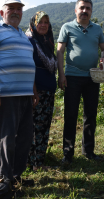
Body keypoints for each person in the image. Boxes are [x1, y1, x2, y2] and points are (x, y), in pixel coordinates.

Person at [0, 0, 39, 187]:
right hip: (5, 94)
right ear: (2, 12)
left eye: (18, 9)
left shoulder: (24, 35)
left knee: (25, 137)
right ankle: (4, 179)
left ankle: (16, 176)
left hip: (25, 95)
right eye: (10, 8)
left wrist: (34, 89)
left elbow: (29, 64)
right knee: (6, 137)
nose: (15, 11)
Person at [57, 0, 104, 164]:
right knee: (70, 115)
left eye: (88, 8)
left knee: (91, 115)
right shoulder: (67, 27)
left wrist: (103, 58)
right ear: (76, 10)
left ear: (91, 11)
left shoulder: (97, 29)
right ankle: (68, 153)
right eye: (82, 8)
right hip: (72, 76)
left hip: (92, 78)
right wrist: (61, 74)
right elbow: (60, 52)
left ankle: (88, 150)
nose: (85, 11)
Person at [25, 11, 57, 171]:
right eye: (40, 22)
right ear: (33, 23)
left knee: (44, 127)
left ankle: (40, 160)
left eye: (46, 22)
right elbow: (28, 68)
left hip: (49, 92)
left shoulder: (47, 42)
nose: (44, 25)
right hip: (37, 92)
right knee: (35, 127)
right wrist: (33, 91)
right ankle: (33, 163)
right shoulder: (30, 42)